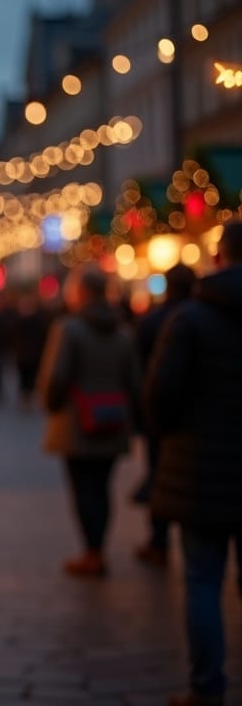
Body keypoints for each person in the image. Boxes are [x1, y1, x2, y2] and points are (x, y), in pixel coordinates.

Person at [146, 220, 242, 706]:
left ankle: (207, 689)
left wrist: (173, 437)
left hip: (202, 470)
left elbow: (160, 397)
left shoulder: (189, 319)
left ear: (219, 256)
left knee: (203, 580)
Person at [36, 266, 141, 578]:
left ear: (81, 293)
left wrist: (51, 404)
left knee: (83, 489)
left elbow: (55, 378)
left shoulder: (69, 329)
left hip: (75, 423)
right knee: (102, 487)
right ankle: (98, 549)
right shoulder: (123, 332)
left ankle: (91, 553)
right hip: (113, 421)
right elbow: (134, 380)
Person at [131, 262, 196, 568]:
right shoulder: (199, 317)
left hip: (164, 418)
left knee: (160, 476)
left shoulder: (155, 321)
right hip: (203, 417)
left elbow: (142, 371)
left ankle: (159, 540)